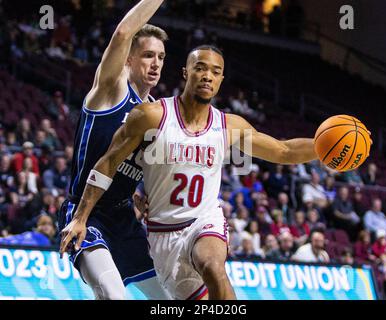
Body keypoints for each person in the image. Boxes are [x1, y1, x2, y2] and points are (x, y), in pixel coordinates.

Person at [60, 45, 319, 300]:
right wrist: (81, 217)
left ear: (221, 80)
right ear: (186, 72)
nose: (208, 75)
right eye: (200, 68)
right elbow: (108, 163)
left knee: (213, 267)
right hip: (163, 235)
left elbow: (283, 151)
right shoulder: (151, 116)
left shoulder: (229, 126)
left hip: (203, 221)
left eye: (215, 72)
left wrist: (324, 149)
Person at [57, 0, 170, 300]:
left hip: (124, 221)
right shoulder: (111, 90)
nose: (156, 63)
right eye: (147, 55)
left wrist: (142, 195)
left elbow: (132, 167)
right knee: (112, 293)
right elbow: (122, 33)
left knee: (169, 298)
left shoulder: (154, 114)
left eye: (161, 56)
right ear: (129, 60)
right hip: (85, 213)